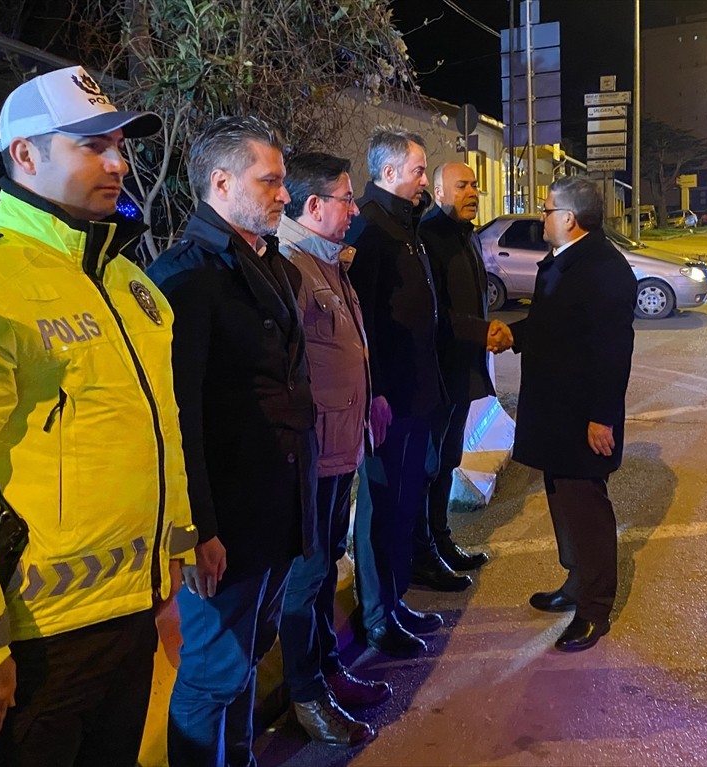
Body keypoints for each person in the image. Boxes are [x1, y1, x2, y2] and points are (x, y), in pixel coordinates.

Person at [0, 65, 195, 764]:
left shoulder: (130, 283)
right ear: (25, 155)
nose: (118, 163)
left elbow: (162, 430)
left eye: (120, 145)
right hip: (28, 645)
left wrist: (169, 566)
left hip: (129, 618)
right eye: (92, 146)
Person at [147, 115, 318, 765]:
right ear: (221, 182)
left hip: (277, 510)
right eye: (271, 181)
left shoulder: (269, 263)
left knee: (244, 659)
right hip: (229, 524)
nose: (284, 193)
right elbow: (178, 419)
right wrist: (197, 527)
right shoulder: (187, 277)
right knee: (211, 674)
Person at [275, 151, 387, 747]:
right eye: (346, 199)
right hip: (312, 452)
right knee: (308, 571)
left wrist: (371, 398)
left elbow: (344, 348)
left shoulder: (328, 263)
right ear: (313, 206)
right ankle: (306, 693)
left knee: (322, 567)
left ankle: (324, 670)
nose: (354, 210)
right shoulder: (292, 267)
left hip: (342, 442)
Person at [345, 127, 464, 659]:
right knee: (382, 509)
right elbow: (362, 324)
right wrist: (374, 395)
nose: (424, 179)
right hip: (387, 405)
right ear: (389, 172)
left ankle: (394, 601)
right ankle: (377, 616)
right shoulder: (371, 231)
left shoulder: (403, 225)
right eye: (418, 170)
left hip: (418, 396)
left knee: (403, 506)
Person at [507, 176, 636, 653]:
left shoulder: (604, 268)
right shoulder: (566, 260)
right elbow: (552, 324)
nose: (542, 217)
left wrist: (602, 416)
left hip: (582, 416)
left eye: (546, 210)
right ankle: (576, 583)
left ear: (569, 219)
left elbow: (612, 350)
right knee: (563, 500)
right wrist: (515, 336)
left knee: (587, 510)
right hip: (554, 411)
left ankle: (594, 609)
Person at [416, 162, 507, 573]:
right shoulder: (429, 237)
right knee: (431, 464)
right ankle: (426, 550)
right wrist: (482, 331)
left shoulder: (465, 234)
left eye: (474, 184)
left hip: (459, 372)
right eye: (462, 185)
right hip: (437, 373)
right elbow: (435, 312)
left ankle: (441, 541)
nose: (473, 191)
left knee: (449, 458)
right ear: (438, 191)